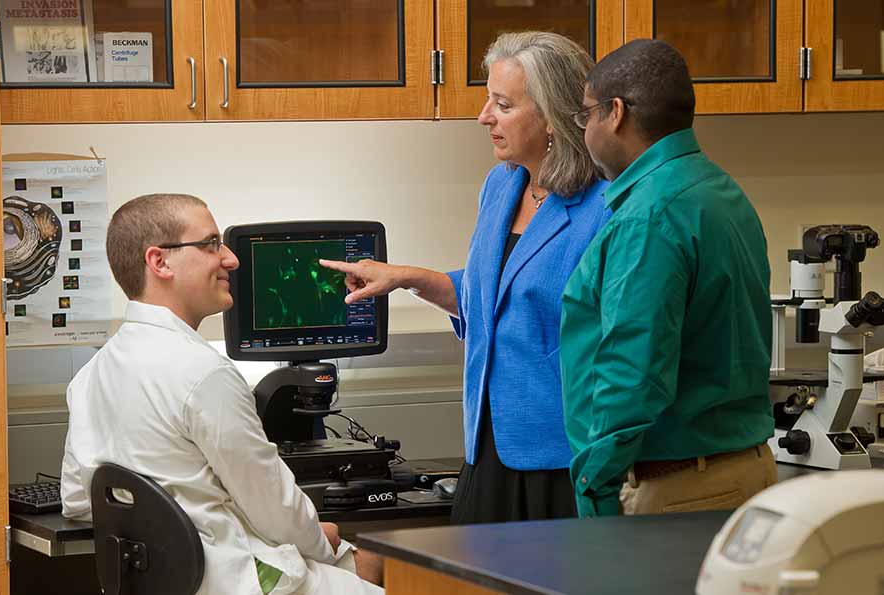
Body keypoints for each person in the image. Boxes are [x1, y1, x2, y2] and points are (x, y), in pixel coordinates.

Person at [320, 32, 610, 524]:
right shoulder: (502, 184)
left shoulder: (603, 208)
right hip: (486, 444)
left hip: (562, 454)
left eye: (502, 104)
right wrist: (406, 277)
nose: (484, 117)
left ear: (553, 116)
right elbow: (491, 300)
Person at [60, 194, 383, 595]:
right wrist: (322, 540)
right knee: (403, 570)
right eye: (212, 243)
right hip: (237, 580)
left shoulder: (90, 375)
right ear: (159, 261)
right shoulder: (203, 373)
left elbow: (78, 499)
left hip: (169, 580)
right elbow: (273, 507)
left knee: (369, 563)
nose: (230, 259)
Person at [559, 39, 776, 519]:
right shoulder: (717, 191)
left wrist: (593, 486)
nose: (586, 130)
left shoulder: (649, 216)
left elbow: (631, 374)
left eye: (586, 115)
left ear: (615, 113)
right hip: (743, 468)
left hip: (678, 488)